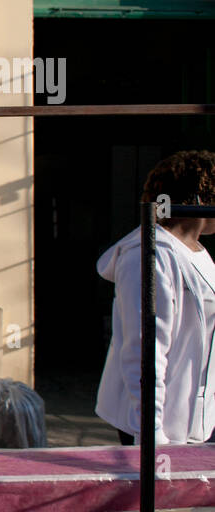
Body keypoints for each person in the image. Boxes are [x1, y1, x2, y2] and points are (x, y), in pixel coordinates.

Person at [96, 150, 215, 447]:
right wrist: (151, 431)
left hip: (193, 419)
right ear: (200, 198)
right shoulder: (148, 254)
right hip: (158, 427)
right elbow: (144, 350)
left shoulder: (198, 252)